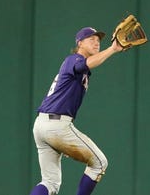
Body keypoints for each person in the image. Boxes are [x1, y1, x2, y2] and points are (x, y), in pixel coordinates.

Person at [29, 27, 124, 195]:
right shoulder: (74, 59)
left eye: (98, 40)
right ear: (79, 43)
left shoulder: (77, 65)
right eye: (91, 39)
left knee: (50, 183)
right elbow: (87, 63)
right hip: (56, 126)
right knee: (99, 163)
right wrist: (113, 49)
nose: (96, 42)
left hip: (41, 125)